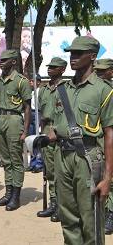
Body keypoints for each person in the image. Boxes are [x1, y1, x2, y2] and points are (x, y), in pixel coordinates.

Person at [48, 36, 113, 244]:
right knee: (68, 217)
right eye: (71, 53)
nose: (72, 58)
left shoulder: (104, 90)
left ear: (92, 56)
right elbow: (57, 126)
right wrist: (46, 137)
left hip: (88, 158)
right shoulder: (62, 90)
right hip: (63, 157)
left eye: (78, 53)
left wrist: (107, 178)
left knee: (90, 218)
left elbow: (110, 134)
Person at [0, 50, 32, 211]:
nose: (1, 62)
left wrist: (26, 130)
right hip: (1, 119)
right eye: (1, 60)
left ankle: (15, 195)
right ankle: (7, 193)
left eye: (5, 60)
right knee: (5, 160)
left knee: (15, 160)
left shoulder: (21, 81)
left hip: (15, 120)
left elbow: (27, 108)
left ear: (13, 62)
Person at [36, 57, 66, 222]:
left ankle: (62, 206)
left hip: (60, 131)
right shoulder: (43, 90)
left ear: (62, 69)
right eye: (49, 67)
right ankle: (53, 204)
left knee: (62, 171)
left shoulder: (66, 88)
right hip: (47, 130)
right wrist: (41, 133)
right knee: (50, 170)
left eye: (54, 67)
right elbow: (41, 113)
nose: (49, 69)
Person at [93, 58, 113, 235]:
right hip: (100, 141)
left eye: (102, 71)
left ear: (111, 72)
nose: (98, 74)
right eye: (96, 71)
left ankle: (110, 214)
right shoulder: (97, 91)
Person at [27, 74, 43, 173]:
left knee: (38, 140)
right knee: (31, 140)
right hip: (31, 113)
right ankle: (32, 163)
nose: (31, 83)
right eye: (30, 81)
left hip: (38, 113)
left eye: (33, 81)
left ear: (38, 82)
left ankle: (39, 163)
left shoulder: (40, 92)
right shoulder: (30, 92)